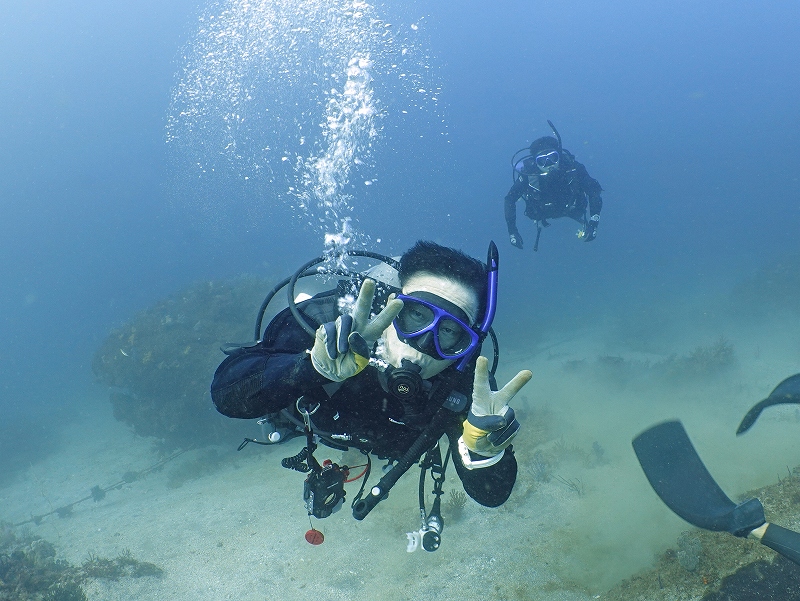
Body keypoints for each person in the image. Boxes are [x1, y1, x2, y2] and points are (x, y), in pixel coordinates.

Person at [211, 240, 532, 525]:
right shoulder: (331, 326)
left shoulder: (465, 382)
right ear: (391, 305)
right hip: (318, 418)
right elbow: (225, 395)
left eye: (448, 332)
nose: (422, 345)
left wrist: (483, 452)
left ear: (464, 344)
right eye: (416, 315)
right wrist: (310, 367)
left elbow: (492, 495)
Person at [504, 121, 603, 251]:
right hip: (541, 214)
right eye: (542, 160)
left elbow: (594, 191)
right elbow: (510, 199)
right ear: (535, 162)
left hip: (573, 208)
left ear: (559, 157)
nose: (549, 164)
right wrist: (512, 231)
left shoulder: (573, 168)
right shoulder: (528, 175)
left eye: (552, 158)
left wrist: (594, 223)